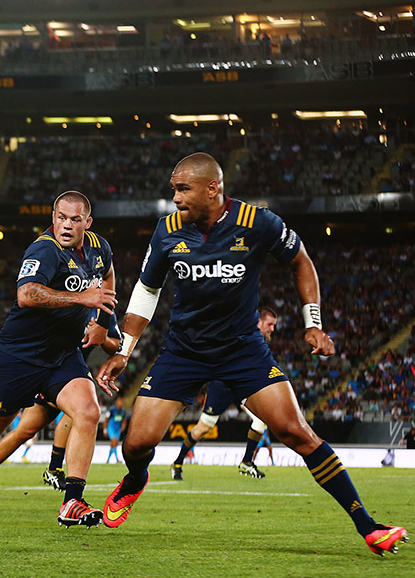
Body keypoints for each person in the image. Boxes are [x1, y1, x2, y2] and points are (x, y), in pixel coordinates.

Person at [96, 152, 408, 556]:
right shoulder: (167, 230)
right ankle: (135, 481)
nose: (174, 198)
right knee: (136, 444)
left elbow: (301, 261)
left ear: (213, 189)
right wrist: (125, 349)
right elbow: (147, 289)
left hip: (243, 351)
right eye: (174, 189)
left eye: (182, 189)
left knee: (298, 432)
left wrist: (312, 322)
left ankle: (368, 525)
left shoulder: (259, 223)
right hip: (183, 352)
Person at [0, 191, 117, 529]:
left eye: (75, 219)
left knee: (88, 410)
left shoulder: (99, 248)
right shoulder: (44, 249)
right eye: (61, 217)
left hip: (62, 355)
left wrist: (103, 326)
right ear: (53, 217)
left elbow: (107, 282)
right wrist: (81, 297)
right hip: (20, 355)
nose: (66, 225)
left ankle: (72, 500)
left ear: (87, 223)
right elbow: (27, 294)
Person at [0, 316, 121, 501]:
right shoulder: (72, 295)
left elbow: (115, 344)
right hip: (46, 369)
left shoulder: (104, 310)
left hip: (71, 374)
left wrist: (101, 335)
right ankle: (53, 469)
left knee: (71, 415)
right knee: (26, 432)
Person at [170, 308, 279, 480]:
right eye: (270, 324)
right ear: (259, 322)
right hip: (222, 385)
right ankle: (177, 462)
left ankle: (247, 462)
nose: (272, 329)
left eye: (274, 325)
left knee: (260, 420)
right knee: (204, 428)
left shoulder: (260, 341)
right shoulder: (244, 333)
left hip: (241, 386)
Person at [105, 396, 129, 464]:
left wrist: (123, 428)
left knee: (114, 444)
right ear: (116, 402)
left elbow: (124, 421)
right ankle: (117, 459)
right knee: (114, 441)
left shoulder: (123, 411)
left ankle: (108, 459)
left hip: (117, 429)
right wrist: (105, 430)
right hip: (111, 428)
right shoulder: (112, 410)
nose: (120, 403)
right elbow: (106, 420)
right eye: (119, 401)